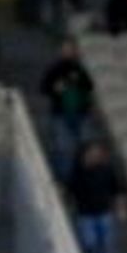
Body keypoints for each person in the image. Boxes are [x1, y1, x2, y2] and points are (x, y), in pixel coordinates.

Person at [70, 143, 127, 253]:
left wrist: (121, 208)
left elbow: (117, 190)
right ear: (84, 156)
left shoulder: (107, 170)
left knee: (106, 246)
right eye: (91, 154)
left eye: (96, 154)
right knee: (89, 243)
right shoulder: (77, 172)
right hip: (85, 215)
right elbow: (70, 190)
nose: (94, 157)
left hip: (104, 213)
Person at [40, 42, 97, 180]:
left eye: (71, 50)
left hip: (81, 113)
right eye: (66, 50)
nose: (69, 52)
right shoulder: (54, 69)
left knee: (85, 145)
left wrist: (79, 84)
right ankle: (66, 179)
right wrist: (56, 88)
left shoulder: (79, 69)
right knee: (65, 148)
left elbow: (89, 86)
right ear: (61, 51)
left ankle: (83, 177)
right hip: (61, 114)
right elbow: (44, 88)